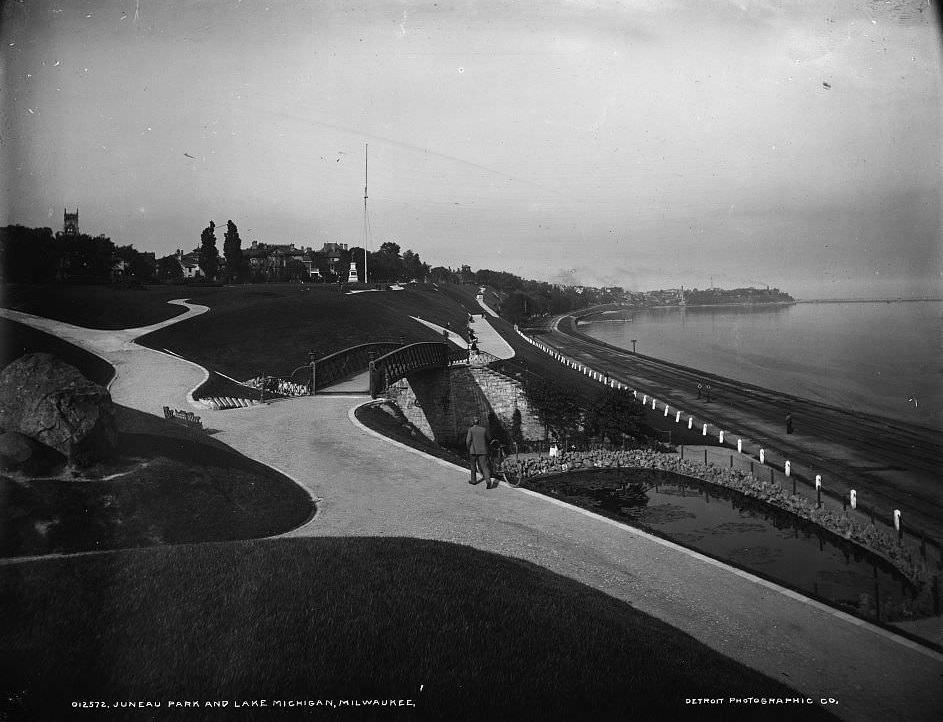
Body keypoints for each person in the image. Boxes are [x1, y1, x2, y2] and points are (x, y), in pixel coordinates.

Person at [466, 417, 493, 488]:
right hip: (483, 450)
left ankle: (473, 480)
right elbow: (488, 439)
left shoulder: (471, 429)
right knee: (484, 466)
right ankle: (488, 481)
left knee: (473, 466)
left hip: (473, 451)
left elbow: (468, 441)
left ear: (473, 423)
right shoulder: (484, 429)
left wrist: (469, 448)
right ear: (479, 422)